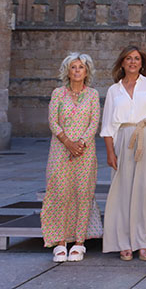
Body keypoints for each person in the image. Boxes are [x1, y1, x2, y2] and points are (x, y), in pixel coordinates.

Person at [101, 46, 146, 261]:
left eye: (136, 59)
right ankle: (123, 242)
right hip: (123, 138)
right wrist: (110, 152)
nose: (132, 62)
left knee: (144, 190)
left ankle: (142, 241)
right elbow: (108, 125)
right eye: (128, 59)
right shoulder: (114, 90)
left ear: (142, 63)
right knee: (122, 192)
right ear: (122, 63)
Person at [41, 53, 102, 262]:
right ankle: (59, 241)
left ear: (87, 72)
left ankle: (79, 242)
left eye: (81, 67)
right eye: (73, 67)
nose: (77, 71)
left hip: (85, 152)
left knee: (83, 193)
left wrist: (81, 144)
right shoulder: (58, 93)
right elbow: (52, 121)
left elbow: (94, 123)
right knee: (59, 192)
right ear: (67, 71)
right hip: (60, 150)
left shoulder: (93, 94)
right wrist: (68, 142)